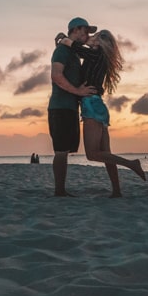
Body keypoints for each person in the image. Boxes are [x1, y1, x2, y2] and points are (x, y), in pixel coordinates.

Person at [56, 28, 146, 197]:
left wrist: (63, 39)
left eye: (93, 37)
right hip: (99, 105)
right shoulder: (100, 58)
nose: (89, 39)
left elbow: (77, 48)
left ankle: (132, 164)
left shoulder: (96, 54)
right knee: (106, 153)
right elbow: (80, 51)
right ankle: (117, 191)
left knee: (93, 154)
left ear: (99, 42)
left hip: (91, 104)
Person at [48, 17, 98, 196]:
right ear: (76, 30)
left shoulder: (73, 52)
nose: (87, 36)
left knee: (65, 151)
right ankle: (59, 191)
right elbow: (56, 76)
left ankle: (61, 189)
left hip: (70, 108)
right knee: (61, 151)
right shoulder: (62, 50)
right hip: (60, 107)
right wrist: (77, 91)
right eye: (85, 32)